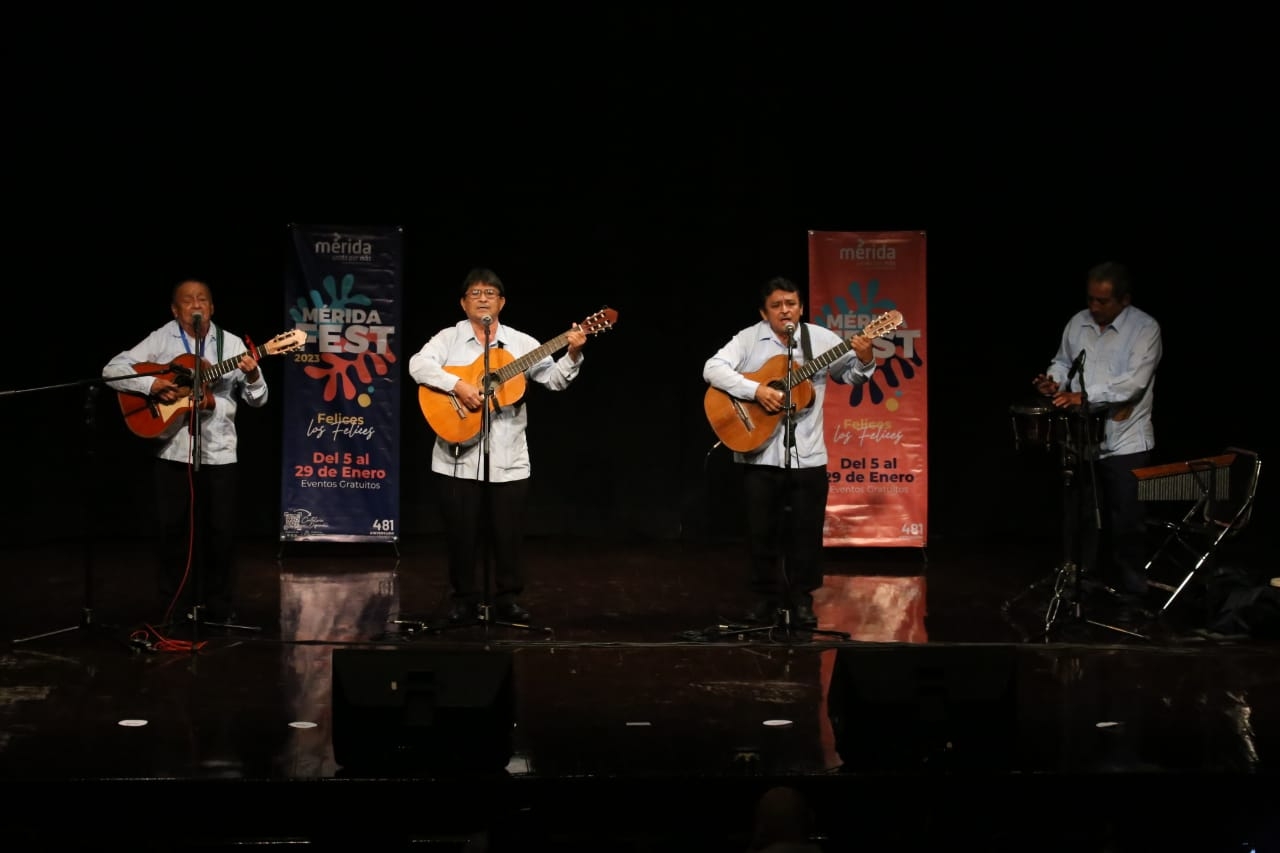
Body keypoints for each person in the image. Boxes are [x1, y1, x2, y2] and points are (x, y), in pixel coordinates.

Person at [407, 267, 588, 624]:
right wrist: (458, 385)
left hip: (509, 457)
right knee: (461, 534)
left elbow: (553, 380)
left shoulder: (521, 343)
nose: (483, 298)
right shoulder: (448, 338)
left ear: (502, 302)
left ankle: (507, 599)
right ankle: (463, 599)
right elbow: (418, 366)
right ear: (463, 303)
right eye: (475, 293)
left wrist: (572, 354)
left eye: (490, 293)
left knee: (507, 534)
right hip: (455, 457)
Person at [703, 276, 877, 627]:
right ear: (764, 312)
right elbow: (712, 368)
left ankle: (801, 599)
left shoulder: (821, 340)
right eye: (777, 306)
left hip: (808, 456)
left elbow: (852, 377)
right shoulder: (750, 338)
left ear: (801, 307)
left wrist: (866, 359)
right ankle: (764, 599)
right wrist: (756, 391)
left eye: (791, 304)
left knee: (806, 532)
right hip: (758, 455)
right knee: (760, 531)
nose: (786, 311)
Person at [103, 278, 268, 623]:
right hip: (173, 451)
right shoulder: (162, 338)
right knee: (172, 532)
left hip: (219, 453)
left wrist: (253, 377)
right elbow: (112, 369)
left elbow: (259, 400)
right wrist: (152, 384)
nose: (196, 305)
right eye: (188, 300)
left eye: (203, 299)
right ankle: (173, 608)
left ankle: (219, 609)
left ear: (212, 307)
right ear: (176, 310)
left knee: (220, 533)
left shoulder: (232, 344)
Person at [1032, 261, 1162, 601]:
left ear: (1124, 300)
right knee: (1082, 515)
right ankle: (1081, 582)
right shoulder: (1078, 322)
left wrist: (1085, 396)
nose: (1094, 307)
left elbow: (1133, 384)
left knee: (1127, 519)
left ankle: (1132, 590)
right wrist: (1054, 381)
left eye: (1102, 301)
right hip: (1082, 438)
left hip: (1126, 439)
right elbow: (1063, 360)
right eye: (1091, 299)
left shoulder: (1145, 328)